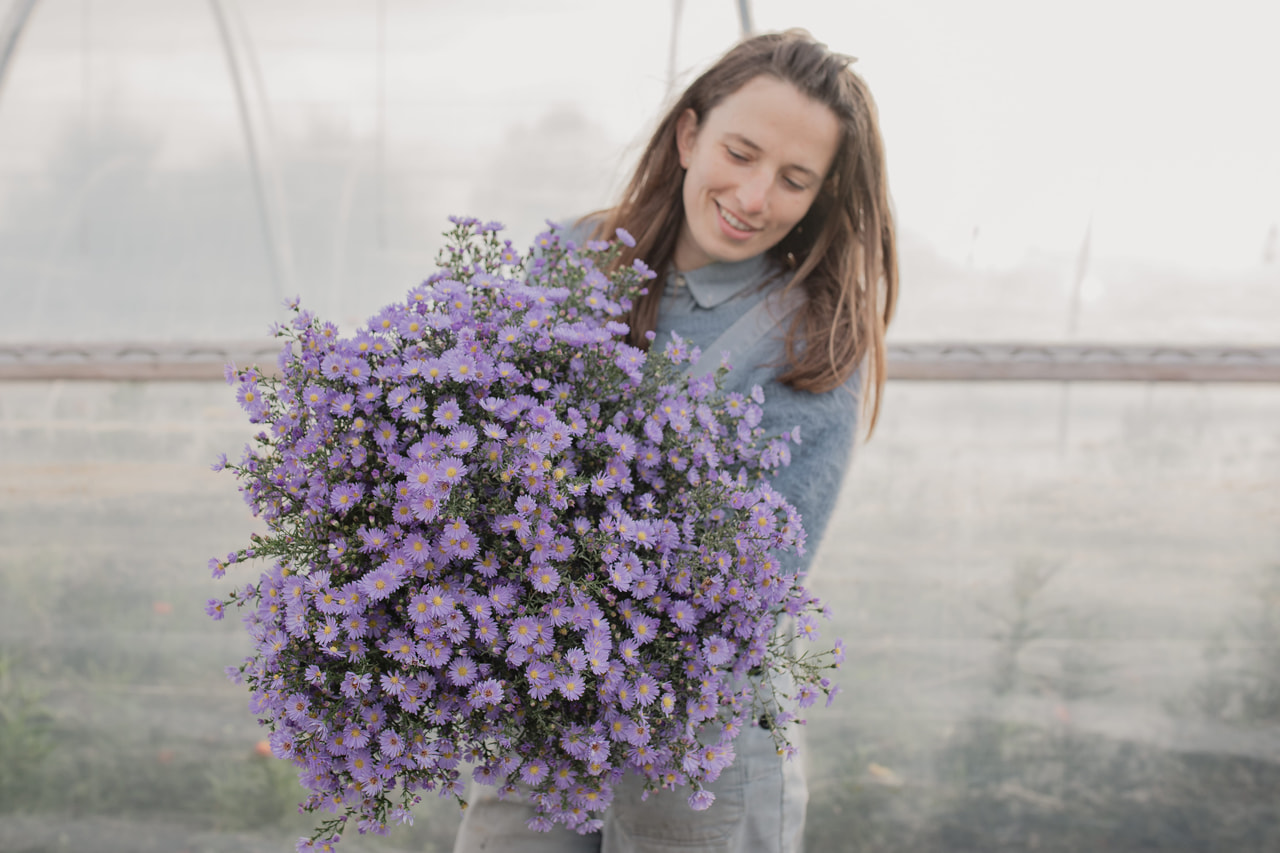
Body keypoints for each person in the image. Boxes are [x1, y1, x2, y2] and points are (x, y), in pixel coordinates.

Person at [453, 27, 897, 853]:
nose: (756, 195)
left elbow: (756, 575)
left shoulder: (814, 339)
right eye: (741, 152)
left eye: (795, 180)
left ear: (821, 197)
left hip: (697, 742)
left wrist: (553, 552)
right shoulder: (574, 257)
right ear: (690, 135)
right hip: (540, 713)